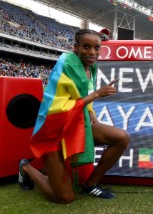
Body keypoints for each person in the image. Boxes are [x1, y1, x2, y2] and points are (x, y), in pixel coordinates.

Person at [18, 29, 130, 203]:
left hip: (76, 124)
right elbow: (57, 109)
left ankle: (90, 185)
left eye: (96, 48)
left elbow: (82, 95)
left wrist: (91, 114)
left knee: (122, 137)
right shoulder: (66, 64)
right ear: (76, 47)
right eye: (86, 47)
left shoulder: (91, 66)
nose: (92, 53)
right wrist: (98, 94)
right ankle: (27, 168)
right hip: (53, 132)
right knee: (65, 197)